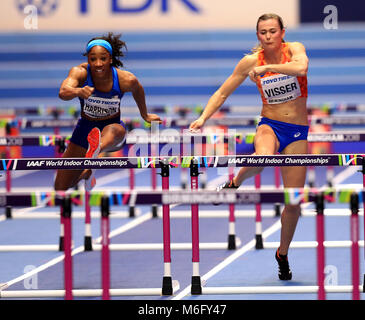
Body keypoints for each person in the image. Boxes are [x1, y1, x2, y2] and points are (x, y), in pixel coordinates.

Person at [189, 13, 309, 281]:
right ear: (258, 36)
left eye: (272, 31)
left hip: (298, 132)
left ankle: (282, 253)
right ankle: (235, 182)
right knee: (263, 156)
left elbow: (301, 68)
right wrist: (203, 117)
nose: (268, 36)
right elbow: (222, 93)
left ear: (282, 32)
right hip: (270, 125)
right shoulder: (251, 62)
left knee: (294, 202)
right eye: (262, 32)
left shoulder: (295, 49)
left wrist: (268, 70)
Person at [54, 32, 161, 191]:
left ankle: (95, 150)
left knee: (114, 129)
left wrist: (145, 115)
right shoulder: (80, 72)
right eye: (93, 59)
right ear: (87, 59)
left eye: (103, 59)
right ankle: (85, 172)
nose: (98, 64)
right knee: (60, 188)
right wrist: (77, 92)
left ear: (110, 59)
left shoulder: (125, 79)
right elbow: (63, 92)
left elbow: (138, 89)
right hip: (84, 128)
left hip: (112, 131)